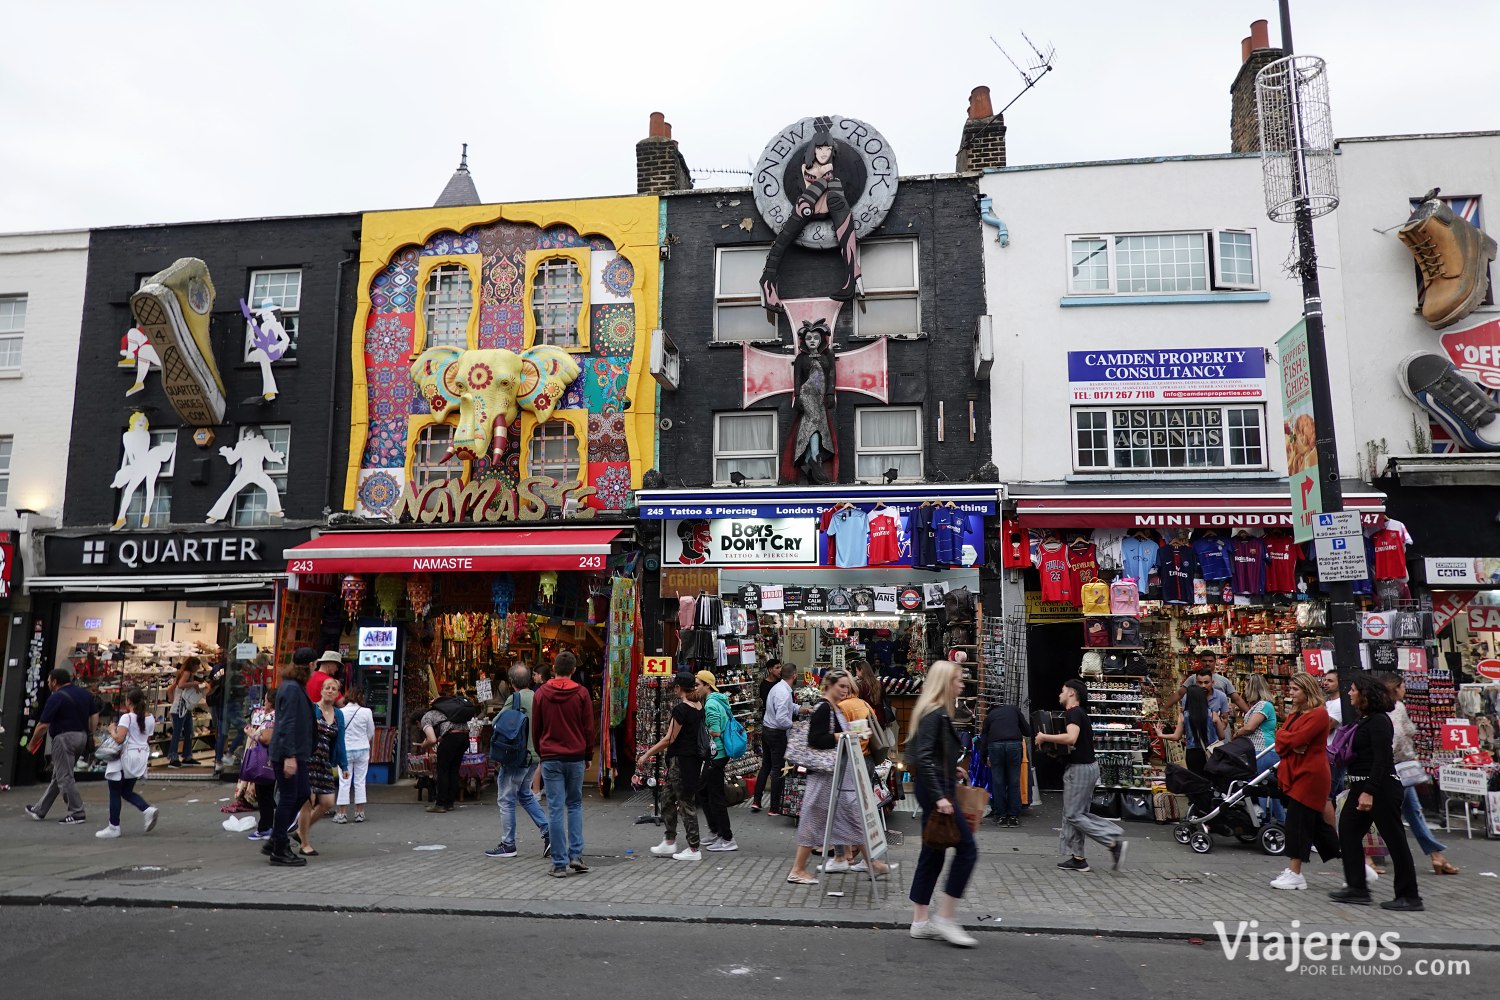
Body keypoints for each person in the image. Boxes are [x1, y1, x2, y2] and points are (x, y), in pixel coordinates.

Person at [1329, 673, 1423, 911]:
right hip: (1362, 787)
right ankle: (1357, 887)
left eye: (1352, 689)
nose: (1349, 693)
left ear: (1364, 694)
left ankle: (1409, 895)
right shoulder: (1367, 719)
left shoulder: (1380, 721)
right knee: (1348, 832)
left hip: (1379, 788)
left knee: (1395, 840)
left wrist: (1369, 791)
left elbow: (1382, 758)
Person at [907, 661, 978, 948]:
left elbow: (929, 754)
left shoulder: (933, 712)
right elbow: (923, 757)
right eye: (958, 679)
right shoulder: (935, 714)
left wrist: (952, 768)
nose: (962, 684)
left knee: (932, 851)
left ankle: (920, 921)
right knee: (967, 849)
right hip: (936, 790)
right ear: (945, 682)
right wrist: (940, 796)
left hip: (937, 784)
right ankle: (945, 917)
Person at [1036, 679, 1127, 873]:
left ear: (1071, 693)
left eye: (1062, 690)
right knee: (1076, 813)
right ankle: (1078, 858)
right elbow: (1073, 745)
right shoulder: (1079, 714)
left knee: (1073, 814)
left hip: (1080, 770)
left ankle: (1112, 839)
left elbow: (1071, 738)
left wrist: (1044, 737)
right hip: (1085, 768)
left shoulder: (1073, 713)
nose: (1059, 694)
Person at [784, 669, 864, 885]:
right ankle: (798, 869)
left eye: (848, 687)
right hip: (822, 773)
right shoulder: (823, 708)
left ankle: (851, 858)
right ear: (829, 685)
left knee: (845, 815)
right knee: (813, 819)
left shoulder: (834, 708)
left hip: (832, 774)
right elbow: (816, 739)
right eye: (841, 686)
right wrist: (842, 735)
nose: (845, 690)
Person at [1382, 673, 1459, 876]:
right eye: (1403, 686)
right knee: (1408, 814)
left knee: (1402, 814)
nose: (1406, 689)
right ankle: (1436, 856)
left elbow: (1399, 735)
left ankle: (1436, 855)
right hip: (1401, 768)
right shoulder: (1395, 708)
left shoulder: (1394, 708)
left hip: (1398, 769)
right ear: (1396, 688)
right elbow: (1404, 733)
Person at [1270, 673, 1341, 889]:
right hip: (1298, 770)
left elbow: (1296, 739)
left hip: (1310, 774)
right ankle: (1356, 865)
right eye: (1290, 689)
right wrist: (1290, 742)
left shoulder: (1319, 714)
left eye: (1295, 689)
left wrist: (1291, 741)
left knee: (1298, 822)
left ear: (1306, 690)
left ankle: (1295, 871)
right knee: (1318, 827)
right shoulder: (1296, 713)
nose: (1290, 693)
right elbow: (1281, 740)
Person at [532, 650, 595, 878]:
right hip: (575, 755)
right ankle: (575, 855)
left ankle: (558, 863)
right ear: (573, 671)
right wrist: (588, 754)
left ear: (553, 668)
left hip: (550, 756)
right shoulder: (581, 693)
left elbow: (536, 727)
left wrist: (542, 751)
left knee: (555, 808)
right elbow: (589, 727)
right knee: (575, 805)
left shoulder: (542, 694)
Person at [638, 673, 708, 862]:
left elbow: (669, 739)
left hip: (682, 762)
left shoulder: (682, 709)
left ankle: (694, 848)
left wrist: (646, 754)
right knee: (667, 797)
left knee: (685, 802)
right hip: (688, 761)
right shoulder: (698, 706)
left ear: (678, 688)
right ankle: (670, 841)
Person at [485, 663, 550, 860]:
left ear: (511, 682)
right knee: (525, 795)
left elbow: (498, 722)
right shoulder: (540, 696)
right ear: (530, 679)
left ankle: (508, 844)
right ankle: (549, 833)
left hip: (516, 756)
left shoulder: (516, 698)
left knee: (506, 799)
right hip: (535, 755)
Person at [25, 668, 98, 824]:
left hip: (64, 739)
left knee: (64, 777)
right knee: (58, 776)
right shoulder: (84, 694)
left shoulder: (56, 698)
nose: (48, 683)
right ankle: (40, 810)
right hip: (82, 737)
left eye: (49, 680)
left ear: (55, 682)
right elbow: (94, 715)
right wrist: (91, 734)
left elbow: (42, 725)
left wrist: (31, 744)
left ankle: (77, 812)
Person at [266, 657, 315, 867]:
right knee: (289, 797)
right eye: (314, 664)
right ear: (309, 665)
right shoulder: (292, 689)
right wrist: (289, 756)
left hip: (297, 752)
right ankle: (279, 847)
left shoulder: (293, 687)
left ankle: (277, 837)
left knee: (302, 793)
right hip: (290, 754)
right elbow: (287, 722)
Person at [94, 687, 159, 838]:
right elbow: (146, 738)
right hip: (139, 757)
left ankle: (114, 826)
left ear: (128, 701)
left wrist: (111, 729)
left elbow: (119, 738)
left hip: (124, 758)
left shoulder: (127, 717)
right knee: (126, 791)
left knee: (115, 791)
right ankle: (147, 809)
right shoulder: (150, 718)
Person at [296, 677, 348, 857]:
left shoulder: (339, 714)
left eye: (334, 689)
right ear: (321, 690)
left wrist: (344, 764)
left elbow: (340, 741)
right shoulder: (312, 709)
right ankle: (305, 842)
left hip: (324, 763)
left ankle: (300, 830)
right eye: (327, 688)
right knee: (307, 801)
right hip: (308, 760)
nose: (330, 691)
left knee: (327, 802)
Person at [1233, 672, 1283, 823]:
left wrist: (1238, 732)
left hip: (1263, 751)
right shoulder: (1259, 706)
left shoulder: (1263, 705)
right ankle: (1280, 819)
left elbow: (1250, 727)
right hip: (1261, 751)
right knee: (1269, 789)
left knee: (1257, 786)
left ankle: (1262, 819)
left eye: (1247, 685)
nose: (1245, 688)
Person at [696, 670, 738, 852]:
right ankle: (716, 831)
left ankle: (727, 838)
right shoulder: (718, 700)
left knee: (715, 797)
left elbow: (715, 731)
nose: (695, 687)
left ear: (707, 685)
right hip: (719, 754)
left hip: (716, 754)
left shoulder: (711, 704)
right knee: (705, 793)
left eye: (698, 684)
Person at [1160, 668, 1227, 774]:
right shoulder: (1213, 714)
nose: (1203, 685)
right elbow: (1222, 736)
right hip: (1212, 751)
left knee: (1196, 779)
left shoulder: (1183, 716)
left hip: (1192, 753)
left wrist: (1160, 734)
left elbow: (1176, 737)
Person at [981, 694, 1032, 827]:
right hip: (1014, 745)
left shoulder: (989, 717)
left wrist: (984, 757)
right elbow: (1027, 731)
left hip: (995, 746)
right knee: (1014, 781)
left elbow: (984, 739)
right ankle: (1013, 816)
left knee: (998, 782)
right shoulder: (1014, 710)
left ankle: (1001, 816)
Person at [752, 659, 794, 815]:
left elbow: (785, 708)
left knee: (766, 765)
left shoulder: (777, 688)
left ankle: (757, 800)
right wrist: (792, 725)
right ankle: (774, 807)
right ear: (795, 676)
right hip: (776, 733)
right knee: (777, 769)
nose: (778, 669)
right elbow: (782, 718)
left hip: (767, 729)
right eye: (776, 667)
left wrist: (799, 709)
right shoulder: (783, 692)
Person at [419, 688, 467, 814]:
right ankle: (450, 803)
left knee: (443, 770)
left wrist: (424, 745)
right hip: (464, 737)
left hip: (451, 739)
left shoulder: (426, 717)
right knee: (453, 770)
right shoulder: (449, 712)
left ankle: (440, 804)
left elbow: (432, 739)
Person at [335, 685, 374, 824]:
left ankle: (342, 814)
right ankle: (359, 813)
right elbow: (371, 732)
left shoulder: (340, 712)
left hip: (345, 752)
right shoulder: (367, 712)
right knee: (360, 781)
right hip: (362, 750)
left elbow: (338, 732)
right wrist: (363, 741)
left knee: (344, 782)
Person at [245, 688, 277, 841]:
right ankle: (267, 826)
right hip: (271, 760)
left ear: (270, 702)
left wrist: (252, 734)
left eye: (266, 700)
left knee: (264, 794)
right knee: (267, 794)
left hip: (265, 761)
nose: (264, 702)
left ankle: (265, 827)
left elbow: (266, 739)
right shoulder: (277, 716)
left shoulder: (271, 717)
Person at [165, 658, 203, 767]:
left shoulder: (182, 674)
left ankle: (186, 756)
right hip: (180, 708)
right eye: (197, 665)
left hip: (182, 707)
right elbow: (181, 685)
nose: (198, 668)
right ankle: (174, 757)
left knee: (188, 732)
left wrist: (174, 702)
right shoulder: (187, 673)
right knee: (180, 732)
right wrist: (193, 683)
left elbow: (170, 690)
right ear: (193, 665)